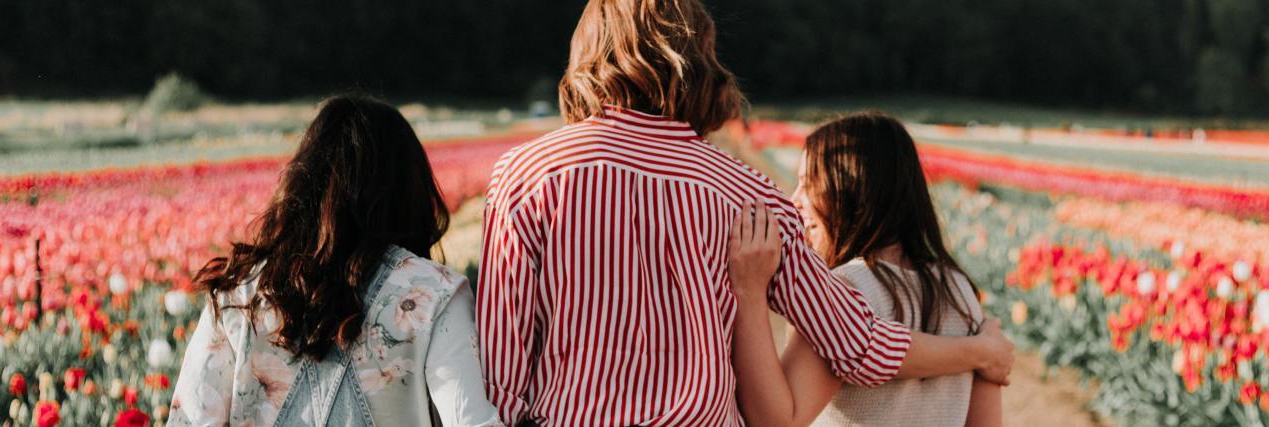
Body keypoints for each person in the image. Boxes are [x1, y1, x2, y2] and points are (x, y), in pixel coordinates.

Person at [475, 1, 1014, 425]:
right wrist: (978, 351)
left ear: (587, 54)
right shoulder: (748, 195)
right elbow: (859, 344)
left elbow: (501, 374)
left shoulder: (526, 175)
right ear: (699, 59)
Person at [168, 95, 502, 427]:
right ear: (407, 189)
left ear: (302, 181)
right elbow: (471, 420)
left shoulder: (238, 293)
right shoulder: (433, 295)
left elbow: (190, 421)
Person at [727, 113, 1002, 426]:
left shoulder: (846, 288)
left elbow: (775, 421)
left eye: (808, 184)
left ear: (850, 188)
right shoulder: (960, 289)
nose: (794, 201)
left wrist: (749, 293)